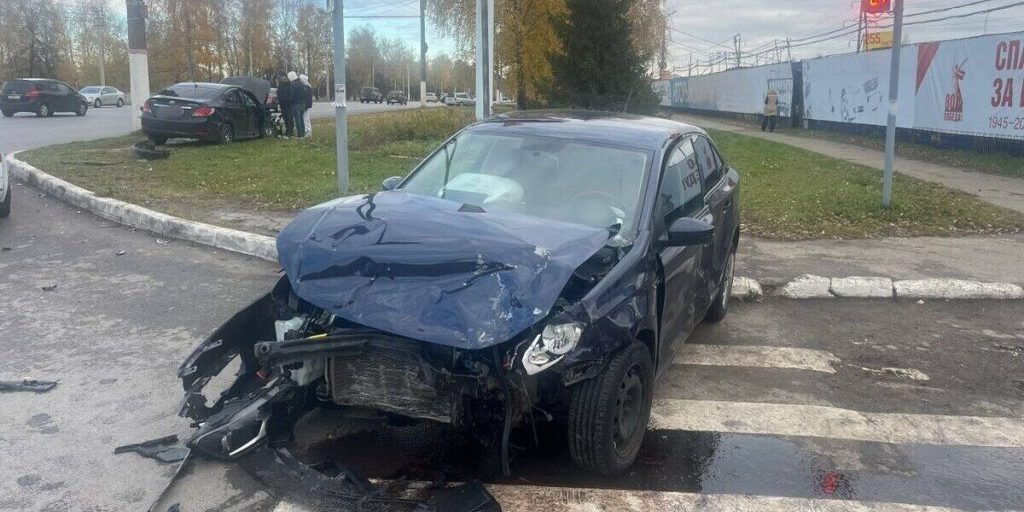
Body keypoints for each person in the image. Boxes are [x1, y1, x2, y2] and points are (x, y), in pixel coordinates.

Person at [289, 71, 308, 138]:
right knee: (302, 120)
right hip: (302, 103)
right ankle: (303, 133)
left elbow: (291, 96)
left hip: (296, 104)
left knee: (298, 120)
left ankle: (300, 135)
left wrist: (290, 101)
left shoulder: (293, 85)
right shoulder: (301, 83)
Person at [299, 74, 313, 138]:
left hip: (306, 105)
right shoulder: (308, 87)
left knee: (305, 118)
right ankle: (307, 130)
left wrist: (306, 106)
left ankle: (307, 130)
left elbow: (307, 98)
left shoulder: (306, 87)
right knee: (305, 118)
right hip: (306, 105)